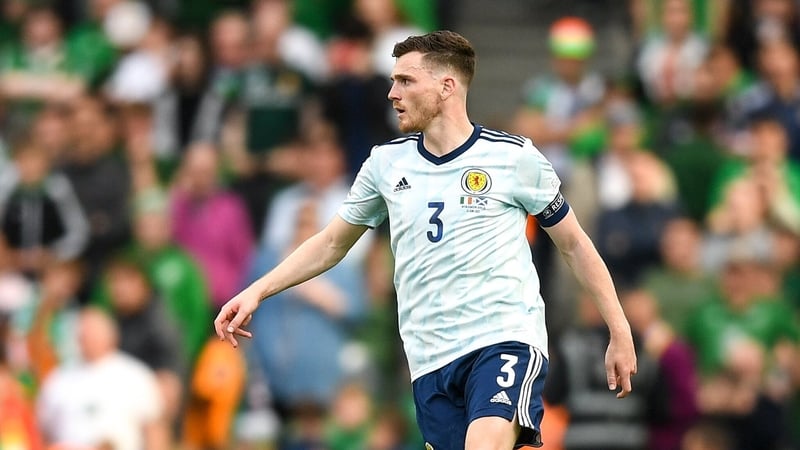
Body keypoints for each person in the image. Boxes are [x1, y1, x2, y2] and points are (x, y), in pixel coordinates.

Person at [214, 30, 637, 449]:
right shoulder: (385, 164)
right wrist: (257, 291)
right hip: (430, 359)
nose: (392, 93)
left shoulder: (513, 157)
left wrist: (619, 329)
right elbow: (330, 244)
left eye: (406, 81)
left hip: (503, 339)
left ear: (446, 87)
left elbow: (574, 244)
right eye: (393, 81)